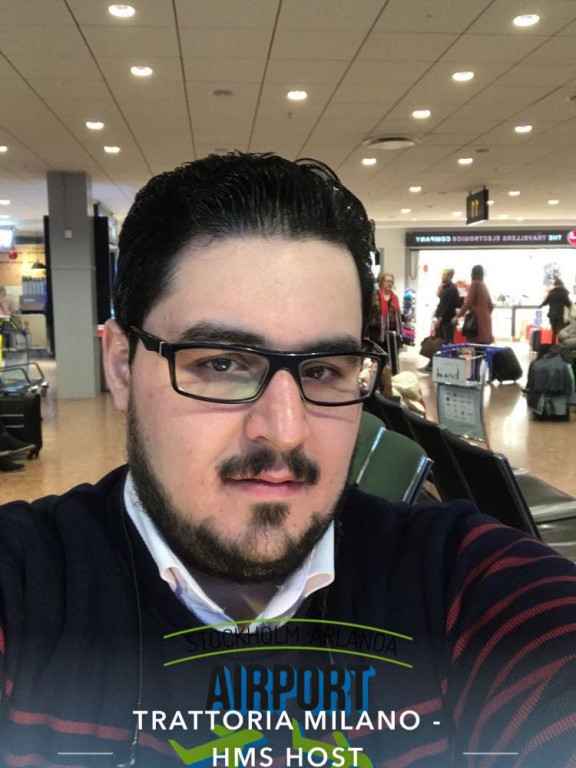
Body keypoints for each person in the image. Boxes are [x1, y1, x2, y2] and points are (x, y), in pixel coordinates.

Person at [0, 153, 575, 768]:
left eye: (323, 370)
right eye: (221, 363)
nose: (284, 431)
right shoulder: (27, 586)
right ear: (121, 366)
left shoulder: (462, 588)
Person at [419, 268, 460, 373]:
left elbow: (448, 306)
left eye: (445, 275)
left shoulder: (452, 289)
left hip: (447, 321)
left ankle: (447, 367)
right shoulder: (445, 287)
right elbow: (439, 297)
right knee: (437, 344)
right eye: (443, 275)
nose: (443, 277)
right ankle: (432, 366)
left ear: (450, 276)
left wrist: (440, 319)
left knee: (446, 344)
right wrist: (440, 287)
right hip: (442, 320)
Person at [455, 264, 494, 344]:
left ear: (473, 273)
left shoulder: (475, 284)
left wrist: (458, 315)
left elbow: (468, 302)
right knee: (484, 347)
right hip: (486, 322)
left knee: (475, 347)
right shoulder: (484, 285)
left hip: (477, 322)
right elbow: (491, 305)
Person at [539, 277, 572, 344]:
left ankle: (553, 346)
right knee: (561, 331)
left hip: (552, 314)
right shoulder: (564, 292)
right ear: (562, 284)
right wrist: (571, 306)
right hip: (561, 314)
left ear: (555, 285)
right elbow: (567, 303)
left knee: (554, 332)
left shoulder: (552, 292)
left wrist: (540, 305)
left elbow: (546, 301)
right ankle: (561, 346)